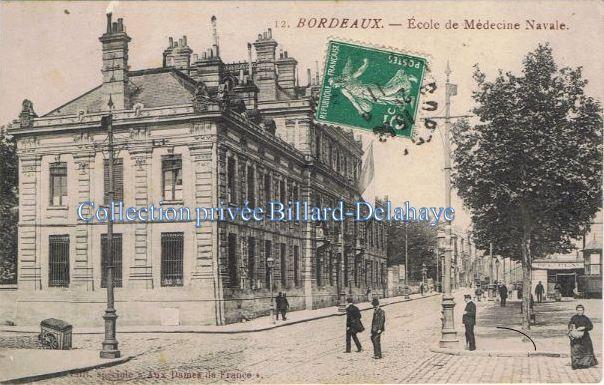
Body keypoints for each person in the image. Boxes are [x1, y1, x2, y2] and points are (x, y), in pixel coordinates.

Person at [568, 304, 598, 369]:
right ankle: (576, 364)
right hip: (576, 337)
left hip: (584, 337)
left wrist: (583, 327)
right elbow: (570, 325)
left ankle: (585, 364)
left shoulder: (586, 318)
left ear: (583, 311)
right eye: (578, 310)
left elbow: (591, 326)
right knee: (575, 350)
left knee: (587, 350)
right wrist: (572, 329)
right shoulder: (573, 317)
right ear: (576, 311)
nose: (579, 312)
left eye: (581, 310)